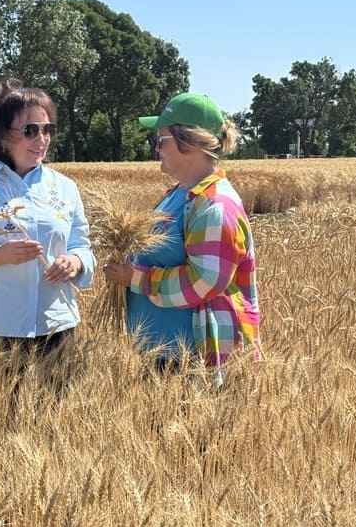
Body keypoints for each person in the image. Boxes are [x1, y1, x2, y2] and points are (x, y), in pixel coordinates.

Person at [0, 78, 95, 389]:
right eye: (30, 130)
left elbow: (82, 245)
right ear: (2, 136)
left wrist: (75, 263)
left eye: (48, 129)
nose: (42, 139)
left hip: (56, 327)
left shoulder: (65, 188)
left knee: (55, 415)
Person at [103, 92, 260, 381]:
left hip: (194, 360)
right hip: (163, 354)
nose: (157, 148)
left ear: (189, 142)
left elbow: (205, 282)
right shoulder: (180, 194)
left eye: (161, 140)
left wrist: (134, 278)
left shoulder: (215, 206)